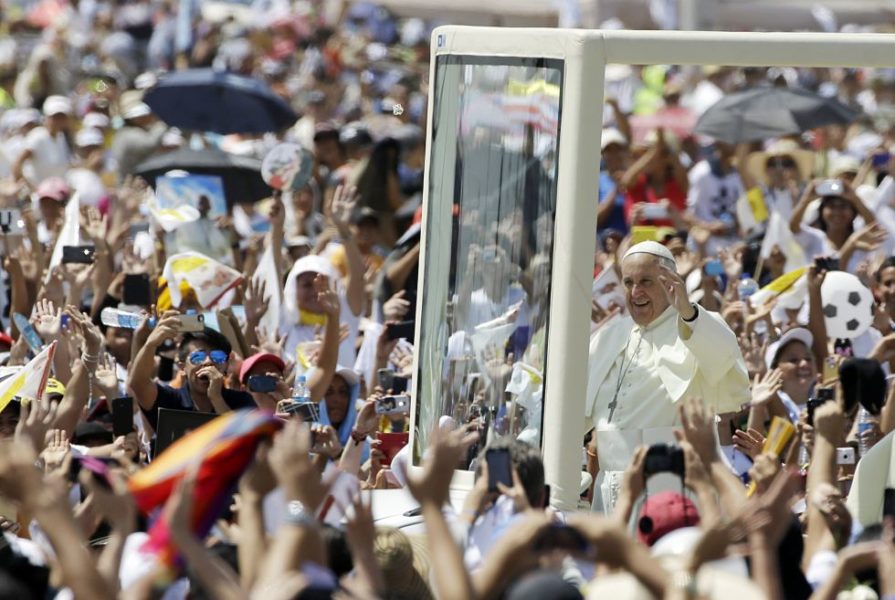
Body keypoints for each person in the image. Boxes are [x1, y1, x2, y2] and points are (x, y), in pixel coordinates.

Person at [585, 240, 750, 512]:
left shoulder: (695, 324)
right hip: (610, 486)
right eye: (628, 282)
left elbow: (723, 360)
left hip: (672, 485)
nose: (635, 292)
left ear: (670, 282)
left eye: (646, 281)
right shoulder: (608, 337)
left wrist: (687, 312)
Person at [127, 317, 255, 430]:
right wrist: (150, 344)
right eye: (198, 357)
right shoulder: (170, 400)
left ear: (226, 365)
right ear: (182, 367)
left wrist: (217, 398)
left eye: (218, 357)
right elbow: (138, 383)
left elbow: (246, 438)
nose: (208, 362)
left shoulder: (242, 401)